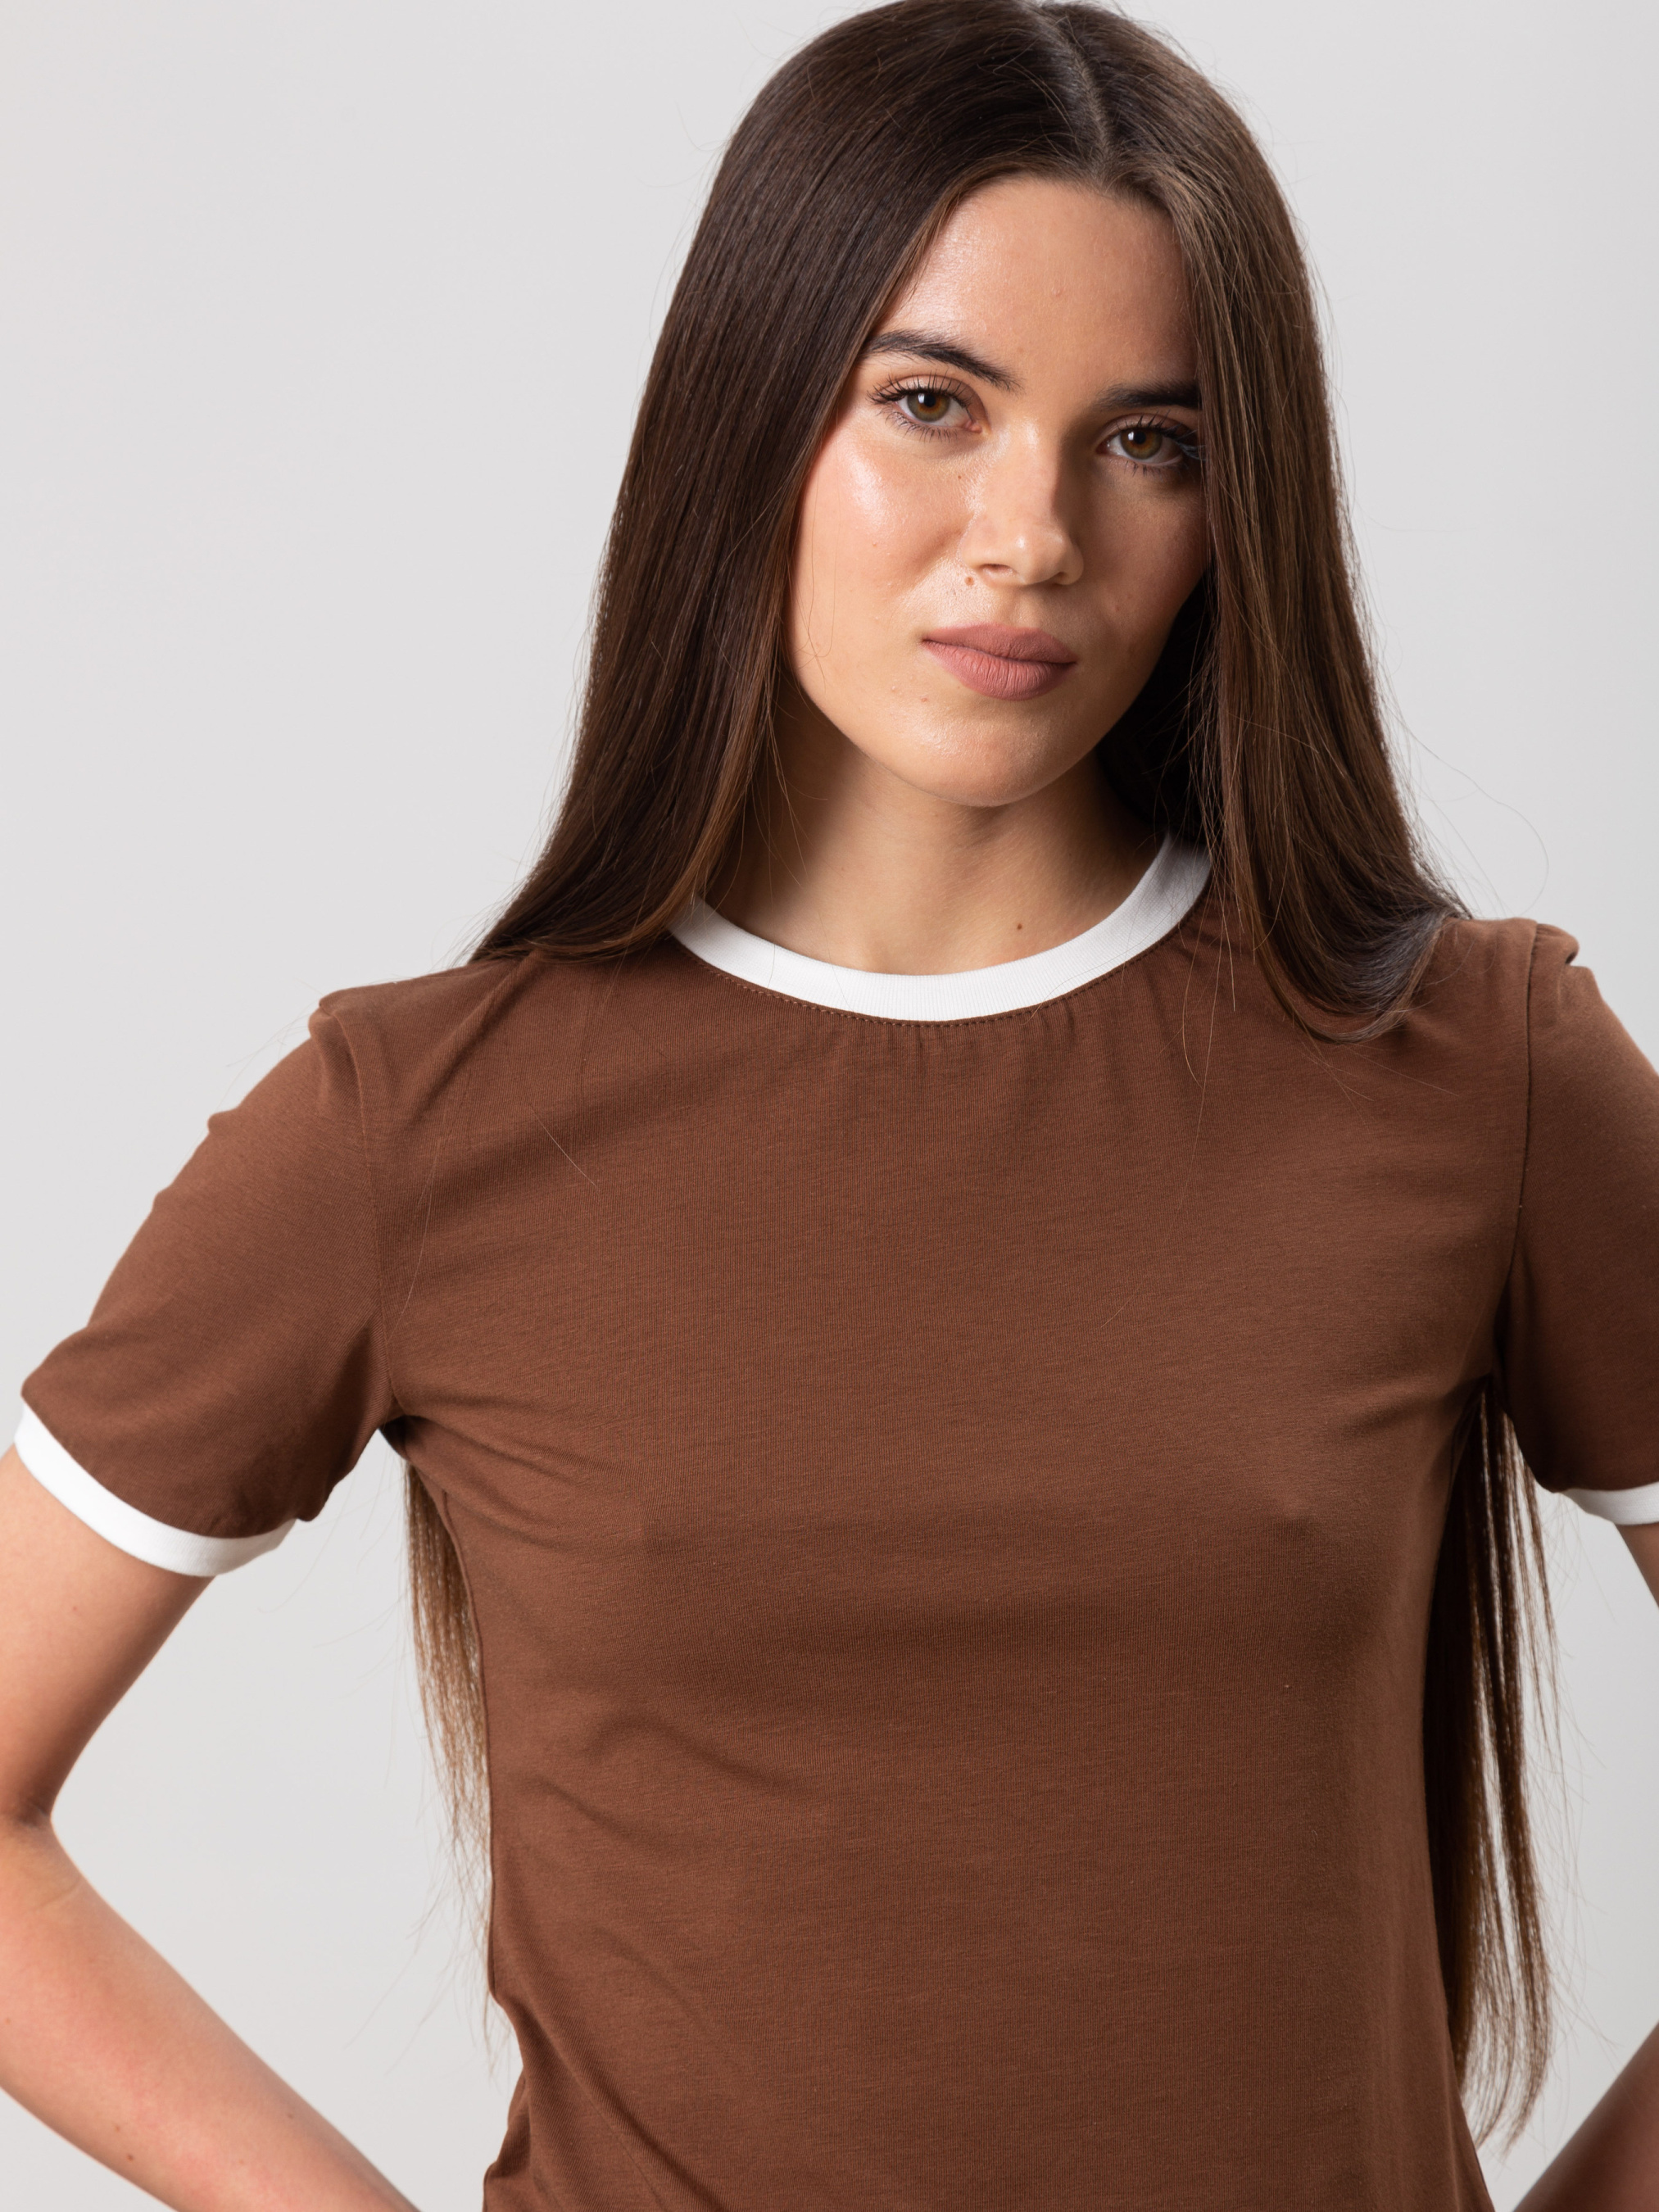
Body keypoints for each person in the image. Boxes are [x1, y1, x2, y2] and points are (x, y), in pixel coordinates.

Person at [1, 1, 1656, 2205]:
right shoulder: (415, 1123)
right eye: (929, 403)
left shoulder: (1470, 1066)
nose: (1030, 534)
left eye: (1148, 440)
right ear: (754, 416)